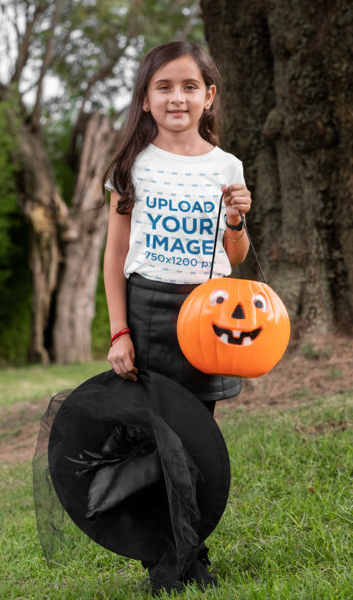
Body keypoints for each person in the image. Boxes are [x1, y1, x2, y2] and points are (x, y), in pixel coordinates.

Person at [102, 40, 251, 593]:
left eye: (190, 86)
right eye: (163, 86)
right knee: (152, 444)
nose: (177, 97)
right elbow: (115, 257)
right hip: (147, 312)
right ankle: (162, 558)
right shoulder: (131, 167)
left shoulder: (226, 165)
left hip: (208, 317)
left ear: (209, 96)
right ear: (144, 99)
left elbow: (233, 257)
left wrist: (236, 220)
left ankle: (192, 552)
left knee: (195, 441)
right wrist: (119, 332)